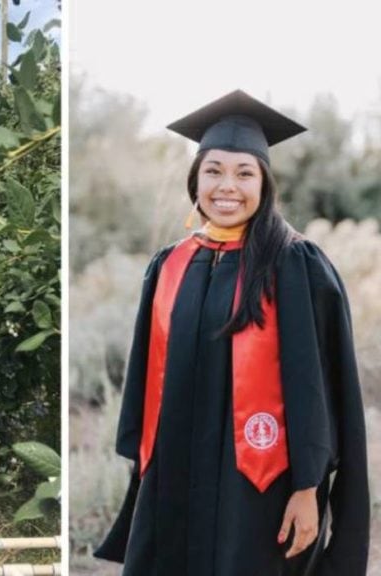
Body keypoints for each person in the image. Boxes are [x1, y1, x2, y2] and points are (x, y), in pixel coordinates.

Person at [94, 90, 369, 575]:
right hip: (175, 479)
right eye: (214, 170)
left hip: (261, 487)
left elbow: (319, 388)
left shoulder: (295, 264)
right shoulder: (171, 265)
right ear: (194, 180)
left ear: (264, 182)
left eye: (245, 173)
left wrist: (307, 488)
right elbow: (145, 379)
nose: (228, 186)